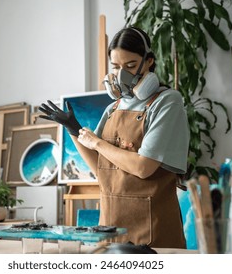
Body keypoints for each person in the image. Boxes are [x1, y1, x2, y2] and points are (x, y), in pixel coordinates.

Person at [39, 27, 189, 249]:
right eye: (116, 67)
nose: (122, 75)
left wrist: (97, 143)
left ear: (148, 61)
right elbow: (100, 169)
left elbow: (143, 167)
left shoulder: (166, 102)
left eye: (129, 66)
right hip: (110, 228)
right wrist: (73, 128)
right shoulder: (113, 108)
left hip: (154, 232)